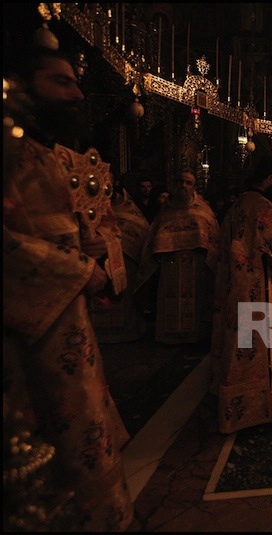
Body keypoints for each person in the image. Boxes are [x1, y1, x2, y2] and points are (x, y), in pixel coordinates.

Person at [3, 45, 133, 531]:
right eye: (60, 81)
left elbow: (89, 228)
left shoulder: (51, 156)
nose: (77, 93)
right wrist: (79, 268)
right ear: (19, 86)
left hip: (65, 329)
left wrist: (95, 247)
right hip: (22, 336)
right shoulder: (10, 153)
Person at [209, 154, 272, 433]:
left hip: (235, 288)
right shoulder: (264, 208)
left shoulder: (238, 205)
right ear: (269, 179)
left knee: (239, 342)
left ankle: (235, 402)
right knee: (262, 342)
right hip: (261, 289)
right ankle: (263, 403)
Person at [134, 171, 220, 344]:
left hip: (196, 264)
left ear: (194, 187)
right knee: (170, 302)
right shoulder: (166, 209)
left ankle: (195, 336)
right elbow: (154, 235)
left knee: (195, 302)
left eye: (188, 183)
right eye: (180, 181)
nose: (183, 186)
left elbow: (213, 236)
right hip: (170, 264)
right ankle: (169, 336)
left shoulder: (202, 208)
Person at [89, 175, 151, 343]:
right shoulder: (88, 208)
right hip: (97, 258)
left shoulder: (129, 209)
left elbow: (140, 230)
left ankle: (126, 331)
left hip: (125, 259)